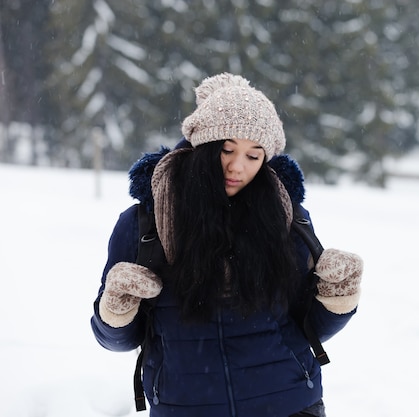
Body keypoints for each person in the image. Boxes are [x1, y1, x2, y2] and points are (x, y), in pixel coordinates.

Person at [91, 72, 363, 417]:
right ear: (202, 147)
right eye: (227, 149)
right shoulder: (144, 223)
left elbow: (308, 328)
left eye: (254, 155)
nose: (238, 167)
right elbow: (116, 340)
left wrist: (339, 298)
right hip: (187, 407)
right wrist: (116, 309)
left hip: (289, 404)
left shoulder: (286, 217)